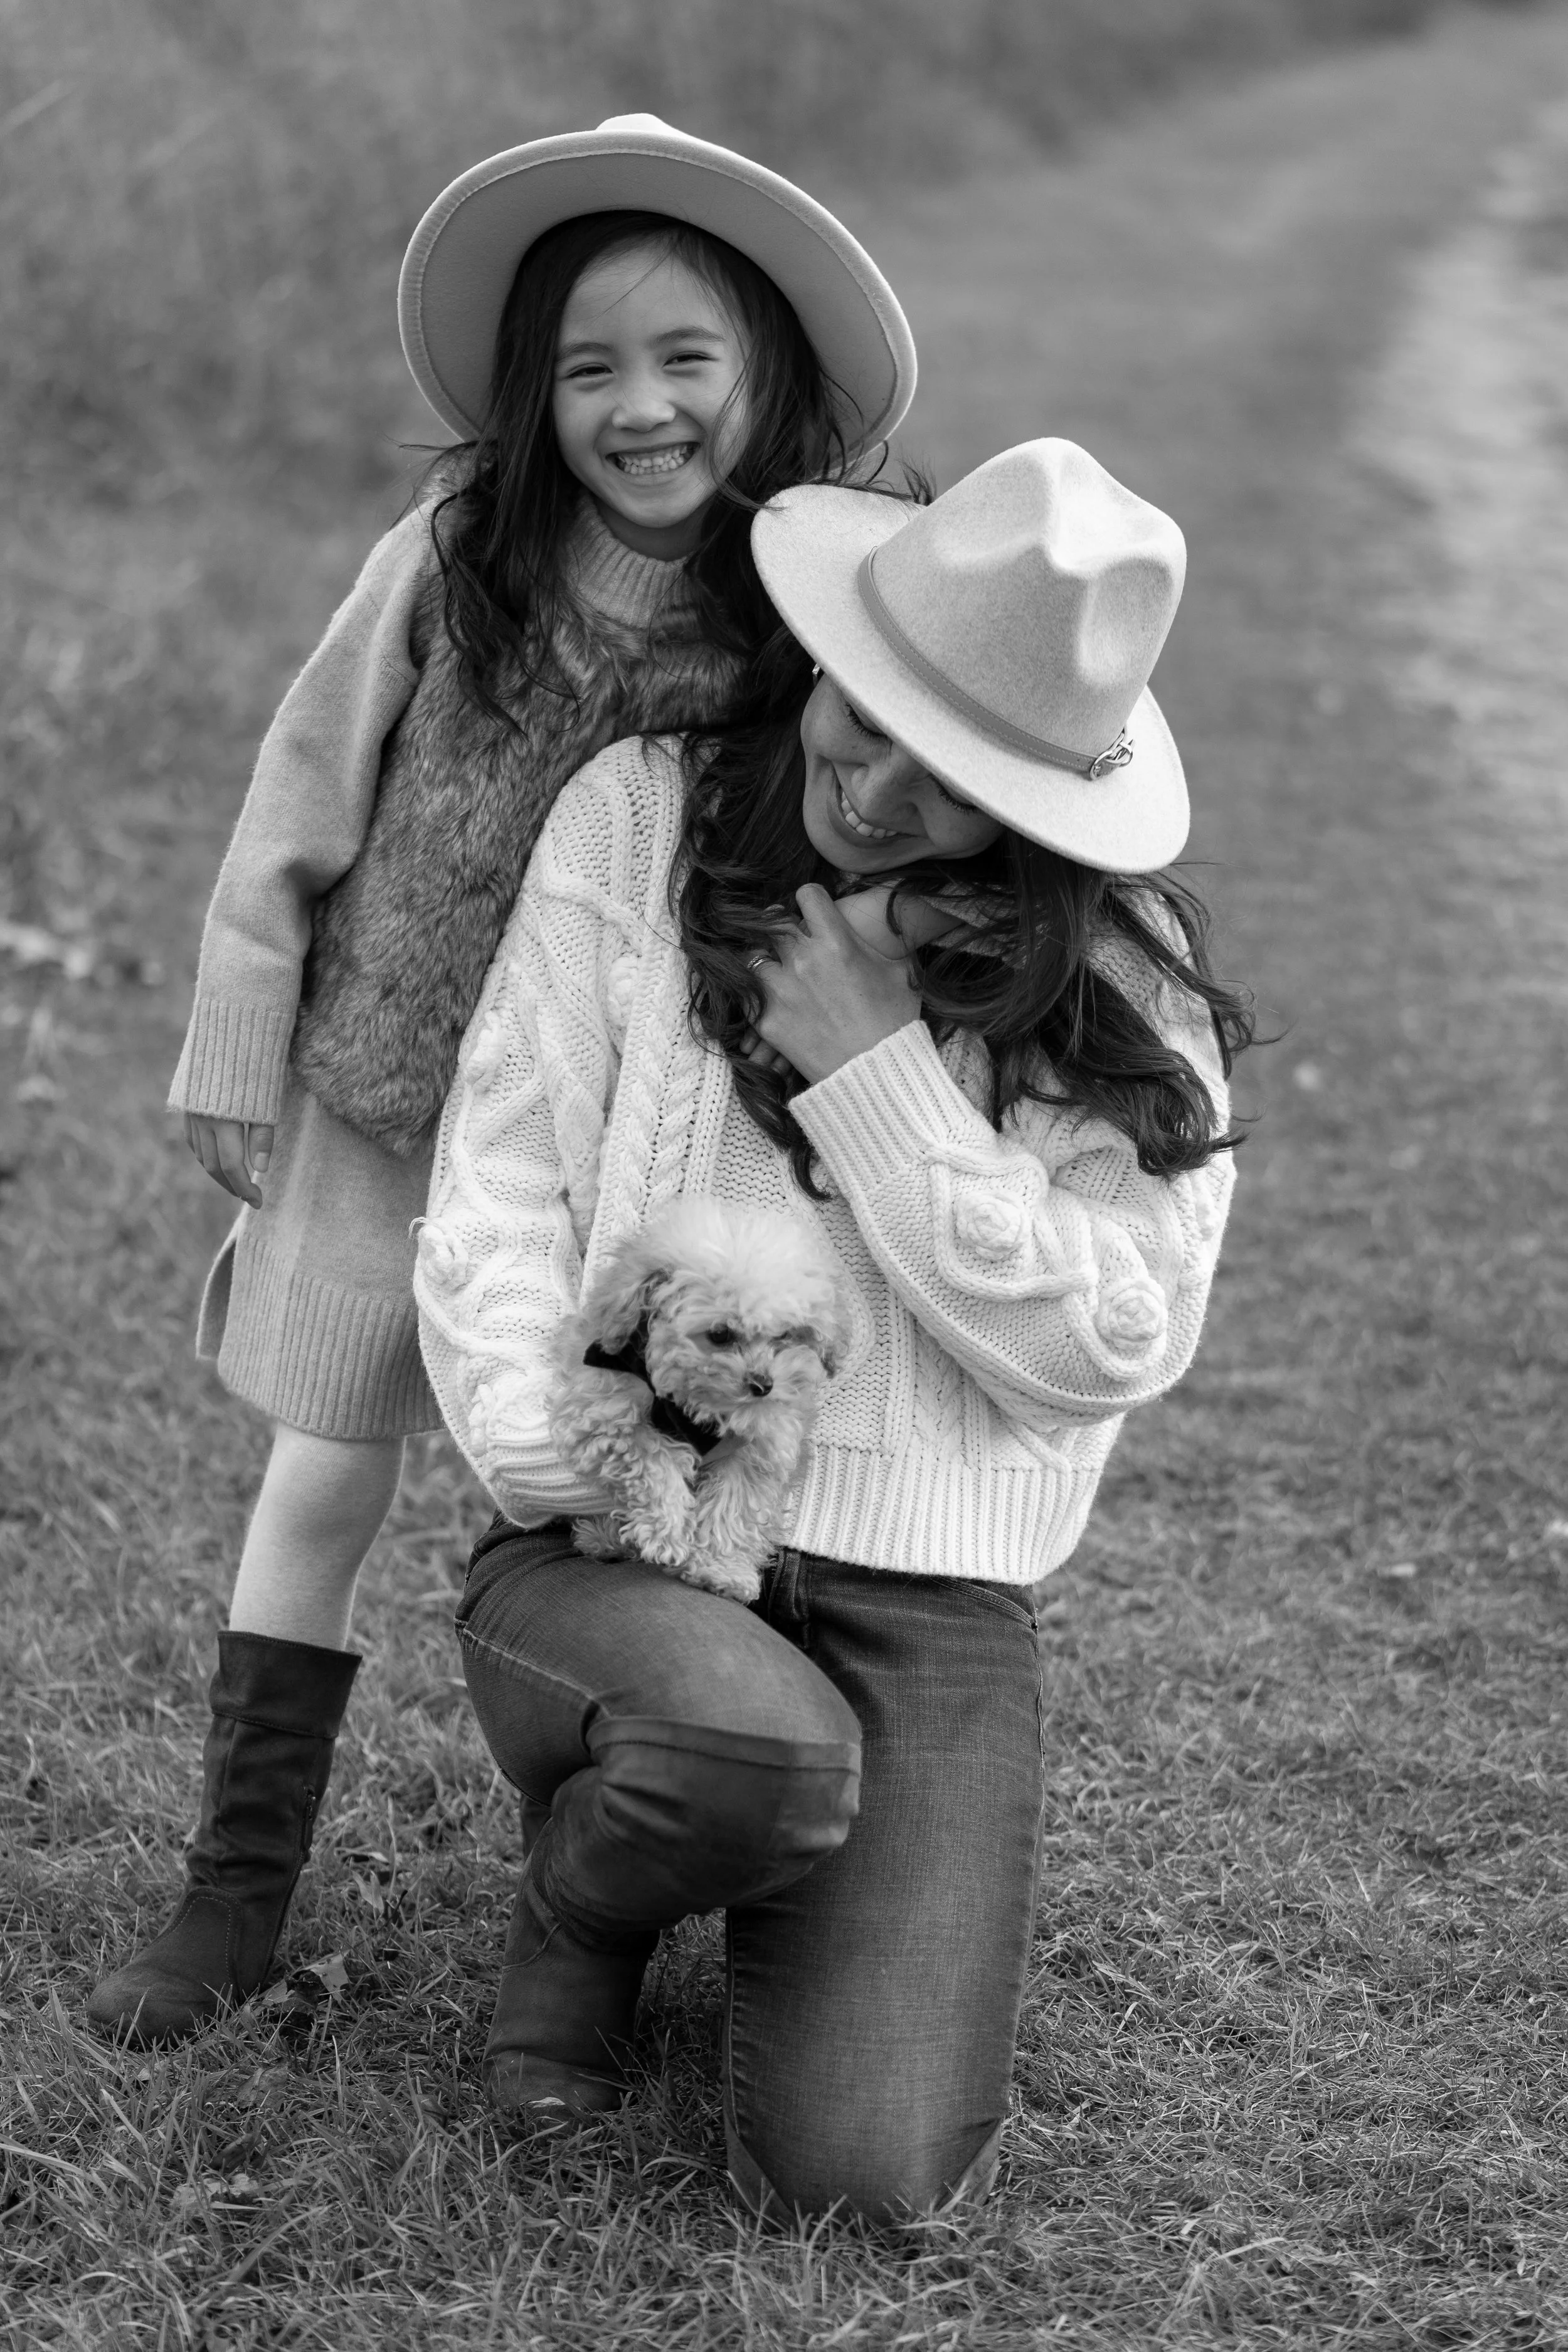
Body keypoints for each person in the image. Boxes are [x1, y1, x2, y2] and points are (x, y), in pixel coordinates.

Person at [87, 116, 918, 2045]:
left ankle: (616, 1866)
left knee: (634, 1472)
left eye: (687, 360)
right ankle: (234, 1887)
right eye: (589, 367)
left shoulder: (796, 597)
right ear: (532, 397)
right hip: (383, 1101)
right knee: (324, 1463)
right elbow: (309, 777)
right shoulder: (455, 556)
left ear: (766, 374)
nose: (642, 409)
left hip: (616, 1145)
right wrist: (240, 1014)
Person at [413, 437, 1253, 2220]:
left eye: (944, 777)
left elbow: (1110, 1339)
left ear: (1034, 799)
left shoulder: (1121, 983)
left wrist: (878, 1074)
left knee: (860, 2176)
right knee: (749, 1746)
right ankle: (586, 1901)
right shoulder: (639, 816)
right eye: (857, 718)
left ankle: (757, 1825)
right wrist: (560, 1453)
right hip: (623, 1533)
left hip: (922, 1594)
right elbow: (494, 1186)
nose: (869, 790)